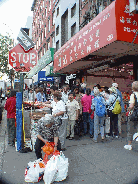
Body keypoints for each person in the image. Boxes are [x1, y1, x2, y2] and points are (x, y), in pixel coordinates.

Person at [124, 81, 138, 150]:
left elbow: (132, 105)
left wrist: (129, 108)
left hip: (133, 114)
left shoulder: (133, 95)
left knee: (130, 129)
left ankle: (129, 144)